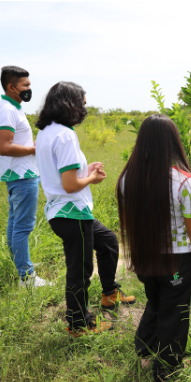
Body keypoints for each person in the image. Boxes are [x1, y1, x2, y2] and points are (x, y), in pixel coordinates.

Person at [34, 81, 135, 336]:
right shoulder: (65, 134)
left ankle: (110, 294)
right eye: (82, 104)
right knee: (80, 272)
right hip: (72, 211)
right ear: (69, 104)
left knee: (109, 241)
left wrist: (85, 172)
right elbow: (70, 185)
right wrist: (92, 179)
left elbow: (63, 175)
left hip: (64, 211)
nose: (84, 109)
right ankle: (79, 323)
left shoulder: (48, 131)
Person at [117, 115, 191, 382]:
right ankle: (166, 369)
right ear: (172, 141)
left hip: (144, 257)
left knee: (155, 302)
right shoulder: (183, 181)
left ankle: (144, 352)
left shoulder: (126, 179)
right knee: (175, 313)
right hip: (175, 261)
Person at [0, 65, 50, 288]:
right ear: (11, 87)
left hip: (19, 172)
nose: (28, 88)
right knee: (23, 226)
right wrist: (35, 149)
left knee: (15, 223)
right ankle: (26, 277)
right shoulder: (7, 109)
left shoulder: (12, 108)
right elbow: (5, 147)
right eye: (25, 85)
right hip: (22, 175)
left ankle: (20, 270)